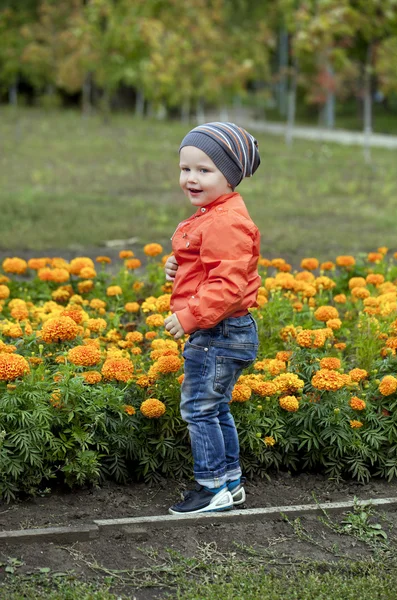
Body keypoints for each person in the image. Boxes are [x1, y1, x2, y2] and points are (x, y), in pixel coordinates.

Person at [164, 122, 261, 515]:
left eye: (204, 170)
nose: (191, 178)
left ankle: (210, 487)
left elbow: (227, 284)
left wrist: (188, 316)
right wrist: (178, 265)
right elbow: (208, 262)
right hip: (224, 331)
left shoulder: (225, 221)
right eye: (186, 168)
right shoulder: (216, 214)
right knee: (216, 406)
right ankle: (230, 483)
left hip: (217, 332)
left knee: (199, 409)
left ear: (230, 175)